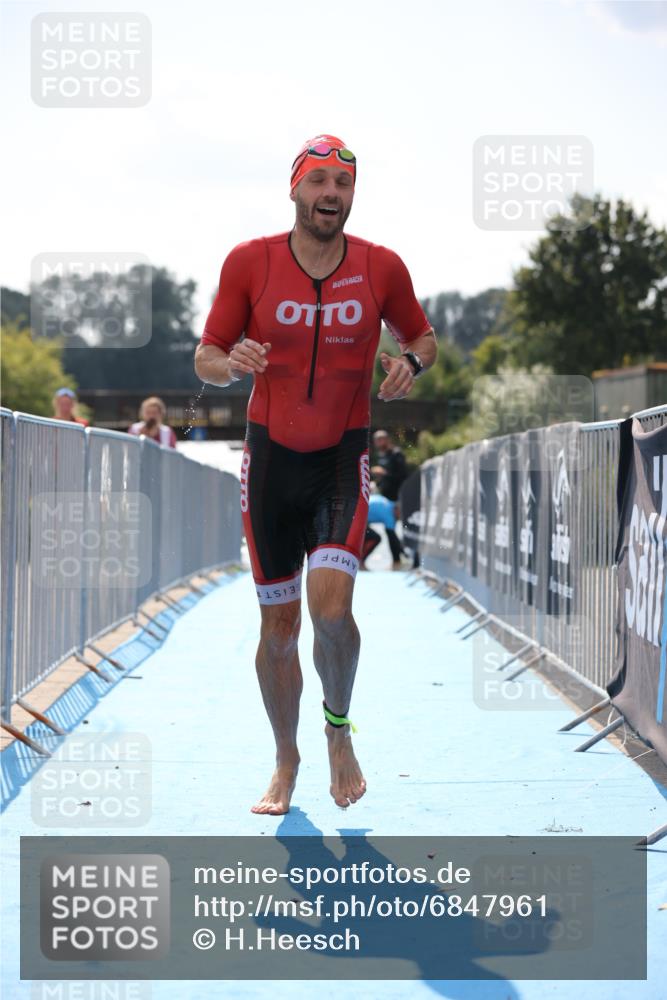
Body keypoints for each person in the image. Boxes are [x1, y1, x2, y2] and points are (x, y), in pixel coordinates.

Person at [194, 134, 437, 815]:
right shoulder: (251, 262)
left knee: (332, 614)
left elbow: (423, 338)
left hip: (340, 458)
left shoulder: (380, 267)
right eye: (320, 181)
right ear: (295, 189)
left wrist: (408, 365)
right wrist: (229, 362)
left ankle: (336, 731)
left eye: (344, 184)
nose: (332, 194)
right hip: (270, 462)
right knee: (278, 634)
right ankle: (285, 757)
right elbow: (204, 357)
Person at [360, 486, 404, 570]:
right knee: (376, 538)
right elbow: (393, 540)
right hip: (357, 519)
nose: (401, 518)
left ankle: (359, 559)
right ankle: (360, 560)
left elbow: (394, 540)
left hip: (358, 516)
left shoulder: (388, 504)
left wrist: (401, 551)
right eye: (401, 515)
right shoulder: (389, 516)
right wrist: (397, 560)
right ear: (397, 510)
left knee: (369, 536)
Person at [371, 429, 408, 501]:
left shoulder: (396, 454)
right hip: (384, 495)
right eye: (375, 440)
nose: (377, 442)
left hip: (396, 495)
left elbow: (402, 475)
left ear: (387, 440)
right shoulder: (381, 455)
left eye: (379, 440)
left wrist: (384, 473)